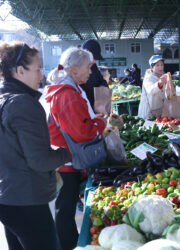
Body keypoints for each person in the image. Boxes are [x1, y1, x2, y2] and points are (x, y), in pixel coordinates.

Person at [0, 41, 69, 250]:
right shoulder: (23, 103)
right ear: (20, 70)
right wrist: (66, 153)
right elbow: (40, 161)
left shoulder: (4, 98)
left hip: (8, 197)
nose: (41, 76)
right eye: (38, 69)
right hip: (27, 200)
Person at [45, 47, 106, 250]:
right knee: (65, 210)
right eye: (88, 67)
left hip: (67, 158)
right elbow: (82, 132)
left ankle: (68, 242)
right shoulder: (67, 94)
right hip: (66, 162)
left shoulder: (71, 90)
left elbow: (76, 122)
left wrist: (91, 120)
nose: (90, 72)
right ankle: (67, 245)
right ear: (73, 69)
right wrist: (100, 124)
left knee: (66, 208)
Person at [81, 39, 108, 110]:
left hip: (98, 107)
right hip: (86, 108)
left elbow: (101, 80)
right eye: (93, 58)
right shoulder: (79, 69)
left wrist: (102, 86)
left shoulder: (94, 67)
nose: (95, 61)